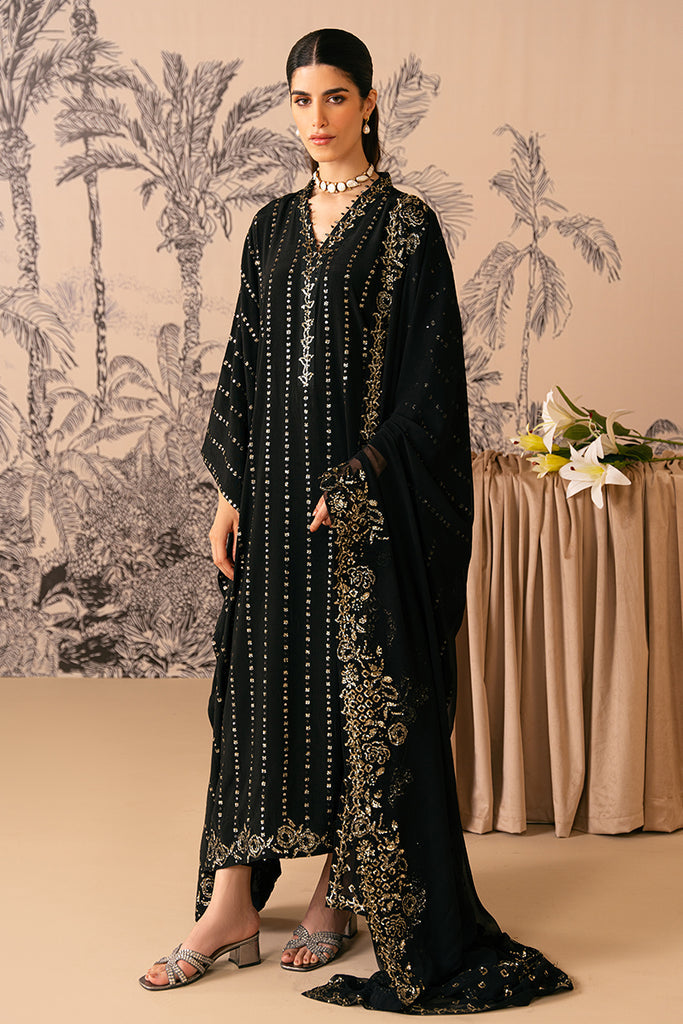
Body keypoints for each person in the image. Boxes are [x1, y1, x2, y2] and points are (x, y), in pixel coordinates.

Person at [140, 27, 573, 1013]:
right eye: (300, 100)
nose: (316, 118)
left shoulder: (407, 228)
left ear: (368, 103)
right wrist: (229, 492)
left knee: (353, 690)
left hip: (356, 509)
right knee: (258, 693)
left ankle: (338, 884)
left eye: (334, 97)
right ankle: (230, 905)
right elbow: (245, 363)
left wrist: (362, 478)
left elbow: (429, 388)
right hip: (271, 498)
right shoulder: (270, 228)